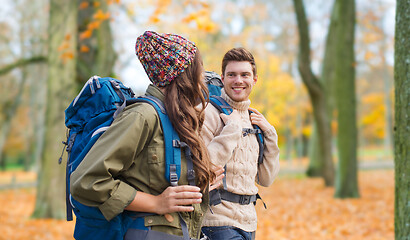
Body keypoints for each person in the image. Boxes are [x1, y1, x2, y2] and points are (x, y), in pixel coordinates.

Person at [70, 31, 217, 240]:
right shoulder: (143, 115)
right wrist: (156, 203)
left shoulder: (177, 118)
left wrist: (204, 179)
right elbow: (87, 180)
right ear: (183, 73)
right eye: (198, 67)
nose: (203, 76)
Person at [200, 47, 280, 240]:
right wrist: (231, 131)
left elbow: (266, 179)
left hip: (249, 221)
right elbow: (203, 169)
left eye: (245, 74)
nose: (238, 80)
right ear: (223, 78)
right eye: (232, 75)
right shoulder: (209, 113)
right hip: (216, 221)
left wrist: (270, 134)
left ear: (254, 79)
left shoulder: (255, 119)